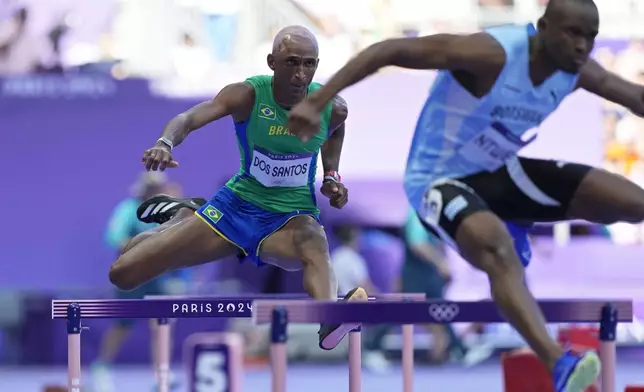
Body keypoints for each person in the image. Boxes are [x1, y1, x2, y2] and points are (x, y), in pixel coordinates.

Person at [285, 0, 644, 390]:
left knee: (632, 201)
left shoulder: (575, 71)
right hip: (437, 178)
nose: (582, 46)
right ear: (541, 27)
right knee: (498, 252)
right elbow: (387, 50)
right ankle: (559, 364)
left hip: (500, 174)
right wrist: (318, 102)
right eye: (572, 33)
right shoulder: (491, 53)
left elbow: (633, 96)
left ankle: (507, 220)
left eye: (589, 37)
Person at [107, 25, 367, 351]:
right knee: (123, 274)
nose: (300, 74)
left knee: (314, 241)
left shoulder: (333, 108)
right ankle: (184, 218)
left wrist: (332, 177)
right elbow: (188, 118)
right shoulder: (248, 96)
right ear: (272, 61)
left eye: (309, 63)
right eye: (291, 63)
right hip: (235, 210)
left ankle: (329, 316)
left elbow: (334, 132)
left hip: (290, 218)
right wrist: (165, 142)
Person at [92, 173, 189, 392]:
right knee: (122, 325)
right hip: (132, 276)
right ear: (143, 189)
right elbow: (113, 237)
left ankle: (161, 374)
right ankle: (102, 368)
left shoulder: (165, 209)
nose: (156, 190)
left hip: (158, 277)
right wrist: (145, 246)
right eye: (152, 187)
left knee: (161, 325)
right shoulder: (127, 209)